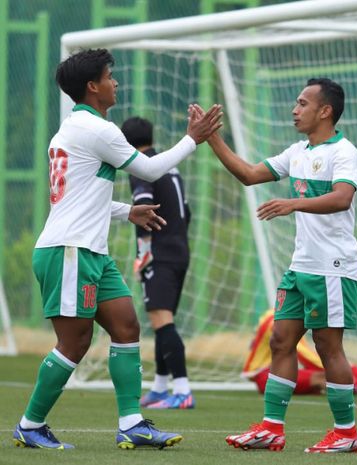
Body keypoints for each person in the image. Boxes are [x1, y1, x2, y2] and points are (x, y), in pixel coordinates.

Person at [12, 48, 221, 450]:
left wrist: (128, 211)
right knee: (74, 343)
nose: (116, 83)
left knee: (126, 324)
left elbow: (79, 198)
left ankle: (132, 424)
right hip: (70, 251)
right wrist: (194, 139)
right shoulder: (97, 130)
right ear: (93, 87)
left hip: (88, 250)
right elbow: (151, 169)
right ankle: (30, 424)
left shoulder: (72, 130)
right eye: (110, 76)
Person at [198, 77, 357, 453]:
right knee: (280, 340)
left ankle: (346, 433)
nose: (295, 109)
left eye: (303, 103)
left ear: (326, 111)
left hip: (332, 267)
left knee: (327, 346)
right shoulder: (298, 151)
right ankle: (272, 428)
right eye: (296, 102)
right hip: (301, 266)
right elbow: (249, 175)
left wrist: (292, 204)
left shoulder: (344, 152)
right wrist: (211, 138)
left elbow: (341, 198)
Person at [121, 117, 194, 410]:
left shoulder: (142, 169)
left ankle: (183, 390)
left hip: (160, 253)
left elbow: (145, 211)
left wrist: (144, 254)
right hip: (179, 249)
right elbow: (186, 212)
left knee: (162, 321)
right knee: (162, 320)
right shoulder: (169, 165)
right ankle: (161, 387)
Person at [243, 310, 357, 397]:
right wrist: (334, 363)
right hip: (265, 375)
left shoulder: (281, 317)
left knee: (326, 373)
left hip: (270, 372)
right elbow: (307, 357)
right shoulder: (279, 322)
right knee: (324, 375)